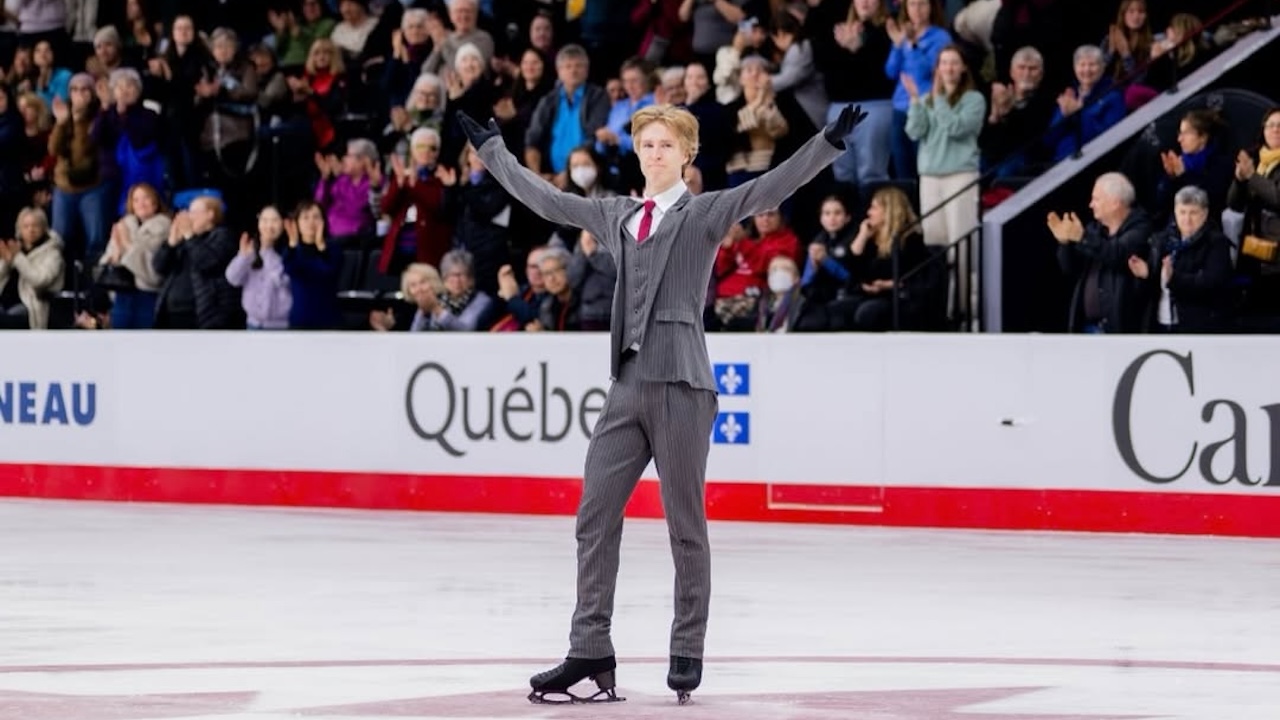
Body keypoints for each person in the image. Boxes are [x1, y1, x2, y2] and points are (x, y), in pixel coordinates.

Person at [458, 101, 865, 705]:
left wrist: (826, 142)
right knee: (594, 516)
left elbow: (771, 186)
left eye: (666, 145)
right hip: (626, 387)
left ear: (686, 155)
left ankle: (687, 646)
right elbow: (547, 200)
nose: (655, 153)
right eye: (647, 144)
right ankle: (590, 645)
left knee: (685, 525)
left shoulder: (704, 213)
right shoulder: (617, 214)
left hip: (682, 385)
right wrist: (494, 152)